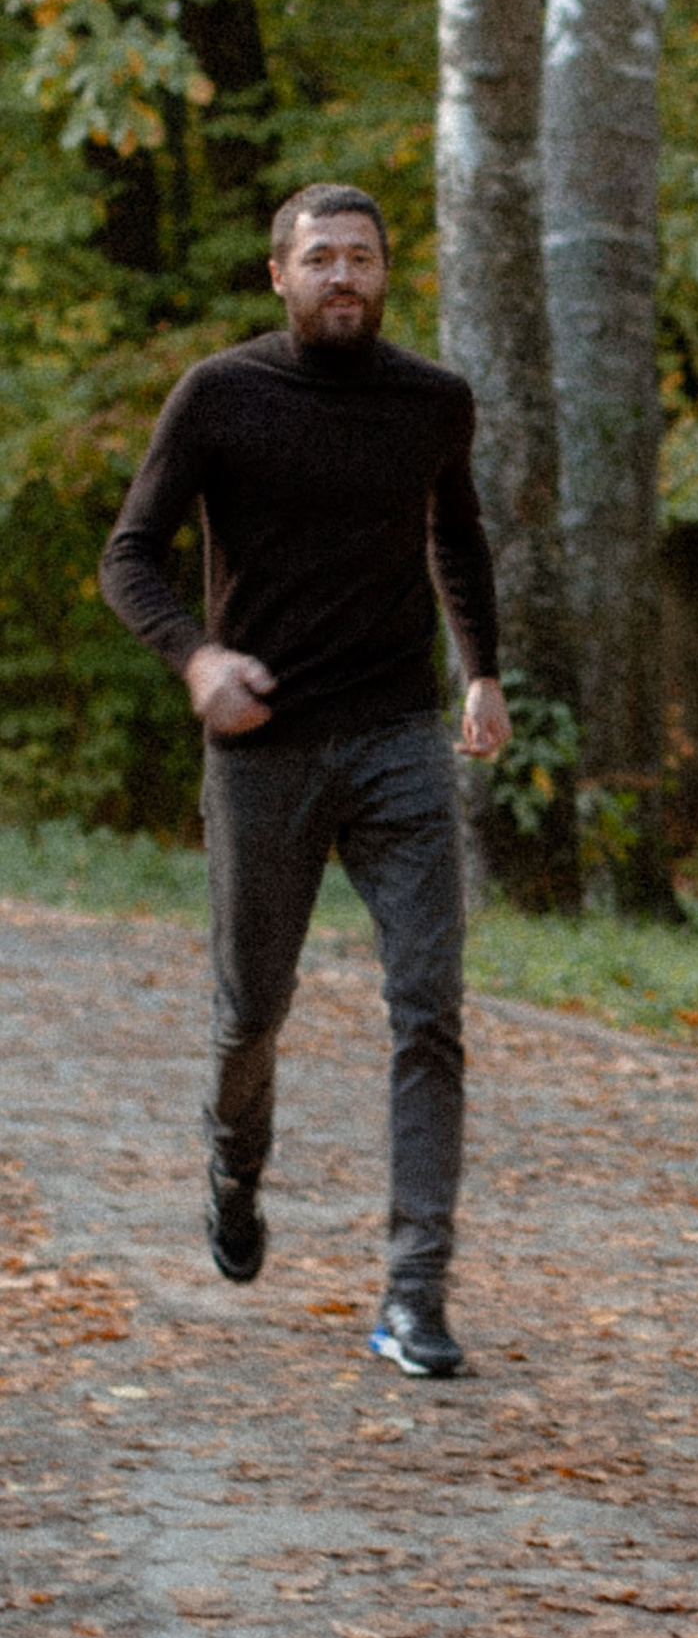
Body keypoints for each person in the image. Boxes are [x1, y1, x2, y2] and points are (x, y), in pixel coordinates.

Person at [99, 184, 513, 1381]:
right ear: (277, 275)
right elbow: (130, 554)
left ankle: (413, 1292)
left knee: (429, 1004)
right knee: (249, 1016)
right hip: (263, 746)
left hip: (394, 735)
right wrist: (196, 656)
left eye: (363, 257)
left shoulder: (433, 400)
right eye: (320, 256)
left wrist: (481, 669)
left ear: (387, 275)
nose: (344, 274)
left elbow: (458, 531)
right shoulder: (222, 394)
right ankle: (235, 1163)